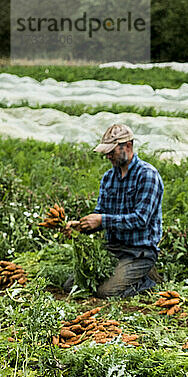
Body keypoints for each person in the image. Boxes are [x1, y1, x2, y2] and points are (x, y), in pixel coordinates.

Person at [64, 124, 164, 298]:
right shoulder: (109, 178)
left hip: (139, 252)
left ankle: (147, 280)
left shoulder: (147, 175)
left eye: (112, 151)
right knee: (73, 285)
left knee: (106, 292)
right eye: (106, 152)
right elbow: (100, 213)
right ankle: (126, 275)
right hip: (113, 249)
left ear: (128, 146)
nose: (108, 156)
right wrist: (81, 226)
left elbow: (141, 220)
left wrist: (102, 220)